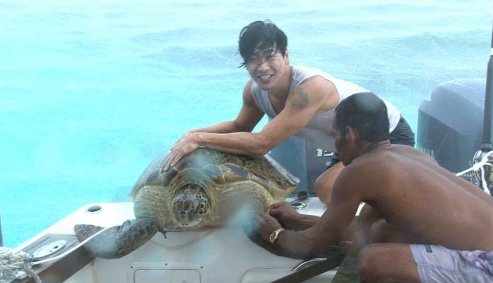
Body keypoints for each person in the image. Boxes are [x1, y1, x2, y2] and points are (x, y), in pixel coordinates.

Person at [257, 92, 493, 283]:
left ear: (351, 133)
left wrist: (275, 234)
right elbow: (363, 229)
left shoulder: (360, 170)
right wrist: (297, 218)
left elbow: (316, 242)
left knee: (374, 261)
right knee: (382, 231)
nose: (335, 145)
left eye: (336, 135)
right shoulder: (408, 153)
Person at [159, 20, 414, 205]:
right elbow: (240, 126)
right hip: (348, 147)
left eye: (270, 56)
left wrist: (199, 140)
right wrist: (191, 133)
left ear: (286, 55)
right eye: (253, 59)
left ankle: (403, 182)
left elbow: (262, 143)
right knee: (330, 190)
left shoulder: (308, 89)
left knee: (327, 190)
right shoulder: (255, 90)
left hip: (385, 135)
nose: (262, 67)